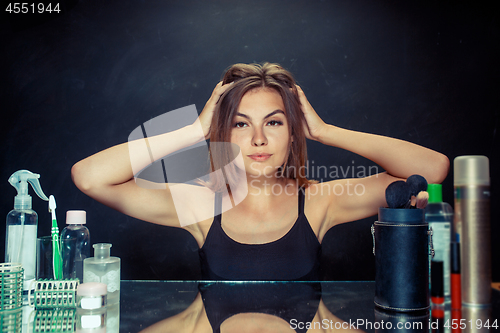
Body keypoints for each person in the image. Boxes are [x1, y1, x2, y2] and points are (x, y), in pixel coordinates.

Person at [72, 62, 449, 281]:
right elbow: (90, 177)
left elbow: (433, 169)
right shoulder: (200, 203)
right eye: (239, 125)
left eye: (273, 123)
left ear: (293, 131)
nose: (257, 139)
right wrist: (193, 131)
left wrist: (325, 132)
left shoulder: (320, 201)